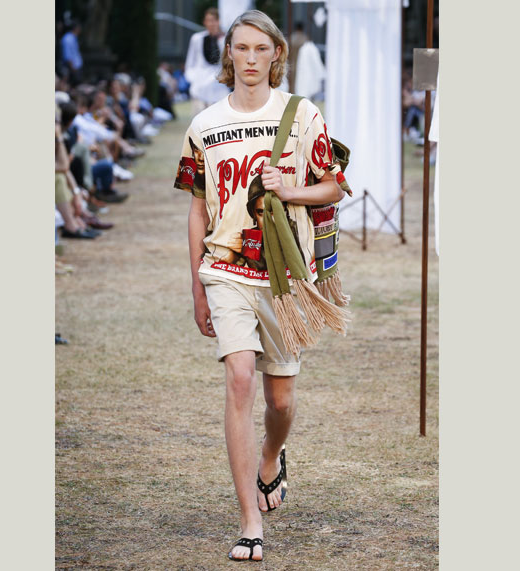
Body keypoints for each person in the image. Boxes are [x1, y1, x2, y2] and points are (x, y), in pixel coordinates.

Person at [174, 9, 347, 563]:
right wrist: (196, 287)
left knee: (281, 399)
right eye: (241, 48)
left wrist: (288, 190)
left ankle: (271, 454)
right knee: (240, 379)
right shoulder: (204, 125)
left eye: (261, 49)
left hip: (283, 276)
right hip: (225, 269)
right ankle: (250, 521)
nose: (250, 58)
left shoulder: (301, 115)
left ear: (277, 55)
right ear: (228, 53)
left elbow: (333, 187)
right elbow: (198, 210)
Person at [183, 8, 231, 116]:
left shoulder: (224, 40)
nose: (211, 24)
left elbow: (227, 62)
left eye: (213, 20)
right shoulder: (197, 38)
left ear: (218, 21)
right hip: (200, 86)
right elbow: (190, 61)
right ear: (204, 22)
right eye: (208, 20)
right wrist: (192, 78)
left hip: (218, 87)